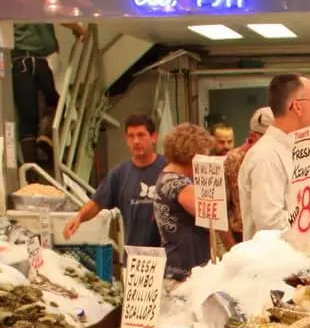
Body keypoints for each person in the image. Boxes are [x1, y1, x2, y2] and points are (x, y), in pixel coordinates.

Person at [238, 74, 310, 239]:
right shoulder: (266, 156)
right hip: (273, 261)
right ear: (297, 106)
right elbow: (270, 223)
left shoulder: (290, 150)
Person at [63, 114, 166, 247]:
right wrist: (79, 218)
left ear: (154, 137)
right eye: (131, 136)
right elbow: (97, 203)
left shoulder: (168, 169)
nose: (136, 141)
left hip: (167, 256)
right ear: (126, 140)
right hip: (134, 256)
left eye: (141, 135)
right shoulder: (119, 173)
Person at [12, 22, 84, 170]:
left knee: (28, 117)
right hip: (41, 58)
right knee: (59, 105)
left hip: (20, 61)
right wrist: (77, 28)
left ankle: (30, 171)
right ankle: (45, 138)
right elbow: (58, 14)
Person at [153, 123, 216, 283]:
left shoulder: (166, 177)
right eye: (204, 154)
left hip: (174, 264)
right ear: (194, 154)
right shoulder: (179, 183)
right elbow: (208, 214)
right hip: (184, 270)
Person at [225, 107, 272, 243]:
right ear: (253, 137)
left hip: (274, 237)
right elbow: (221, 210)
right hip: (241, 235)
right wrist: (232, 248)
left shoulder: (277, 159)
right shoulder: (233, 159)